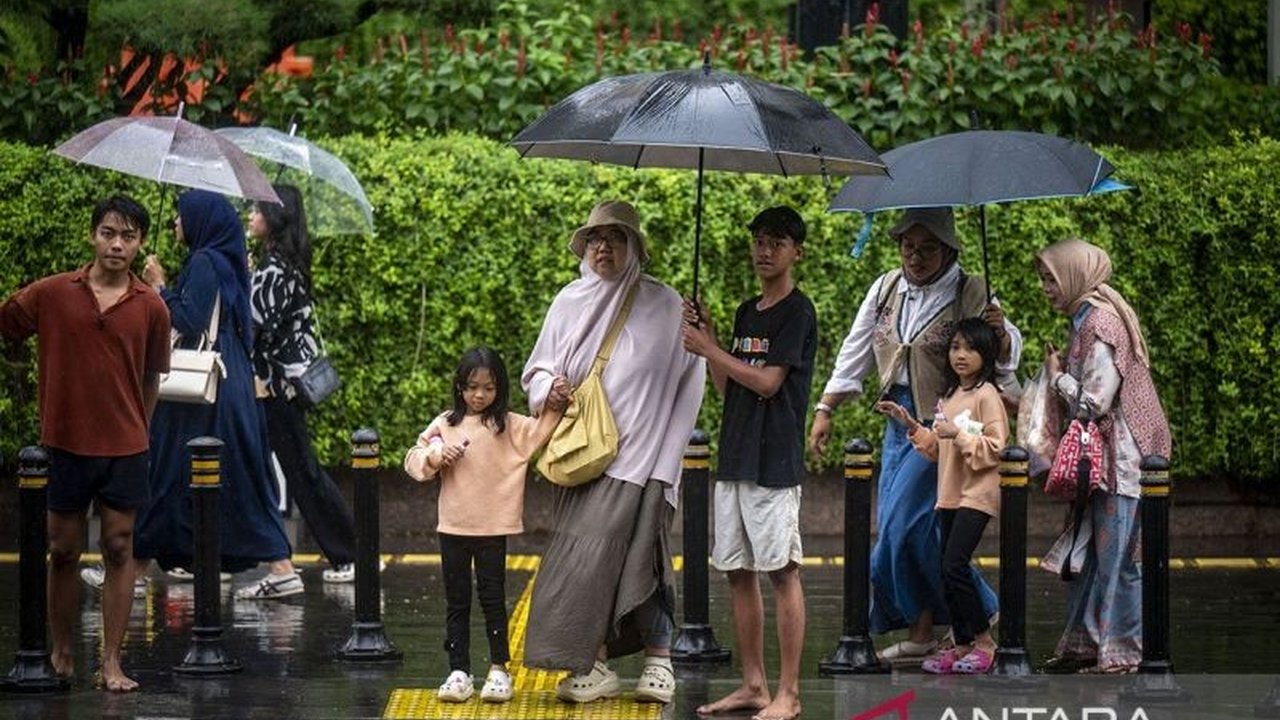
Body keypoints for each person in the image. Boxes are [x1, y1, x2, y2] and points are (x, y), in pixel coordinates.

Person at [808, 206, 1021, 660]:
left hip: (946, 421)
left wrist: (1001, 335)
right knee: (909, 528)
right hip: (897, 422)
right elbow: (856, 347)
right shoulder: (886, 287)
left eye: (927, 249)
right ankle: (926, 631)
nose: (916, 257)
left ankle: (980, 615)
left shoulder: (971, 289)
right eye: (908, 247)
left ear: (948, 249)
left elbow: (1006, 349)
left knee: (902, 527)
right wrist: (826, 406)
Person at [520, 199, 705, 704]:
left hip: (644, 463)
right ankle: (595, 663)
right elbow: (536, 369)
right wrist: (548, 391)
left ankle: (659, 664)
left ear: (634, 248)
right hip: (583, 458)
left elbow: (692, 385)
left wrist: (668, 467)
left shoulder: (669, 305)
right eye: (596, 239)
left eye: (616, 238)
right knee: (585, 568)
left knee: (640, 563)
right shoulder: (569, 301)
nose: (604, 248)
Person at [0, 195, 171, 692]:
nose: (117, 244)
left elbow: (152, 376)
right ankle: (63, 650)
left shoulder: (151, 306)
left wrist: (139, 427)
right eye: (108, 233)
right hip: (66, 441)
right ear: (92, 236)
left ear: (139, 244)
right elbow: (9, 322)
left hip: (125, 446)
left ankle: (112, 662)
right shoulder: (53, 293)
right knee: (64, 549)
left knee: (120, 547)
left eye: (128, 236)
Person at [680, 206, 816, 720]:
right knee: (737, 572)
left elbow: (768, 382)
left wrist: (710, 346)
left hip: (774, 460)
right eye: (759, 241)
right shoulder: (745, 311)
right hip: (735, 456)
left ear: (796, 252)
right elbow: (729, 387)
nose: (764, 250)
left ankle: (790, 693)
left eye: (776, 242)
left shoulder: (798, 312)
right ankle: (754, 685)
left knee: (781, 571)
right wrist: (710, 339)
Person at [134, 189, 297, 597]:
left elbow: (189, 318)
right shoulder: (227, 260)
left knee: (172, 468)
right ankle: (279, 566)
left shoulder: (206, 261)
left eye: (181, 216)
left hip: (208, 388)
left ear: (201, 221)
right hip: (230, 379)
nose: (176, 223)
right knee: (234, 472)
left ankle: (132, 567)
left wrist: (158, 288)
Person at [1034, 238, 1170, 675]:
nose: (1045, 288)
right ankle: (1088, 645)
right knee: (1091, 553)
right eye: (1043, 279)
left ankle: (1122, 653)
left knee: (1118, 558)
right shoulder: (1083, 320)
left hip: (1125, 463)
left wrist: (1058, 380)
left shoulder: (1102, 323)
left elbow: (1095, 400)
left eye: (1051, 279)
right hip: (1103, 459)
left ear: (1076, 276)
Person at [404, 347, 569, 703]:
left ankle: (499, 669)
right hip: (452, 529)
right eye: (471, 386)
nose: (479, 395)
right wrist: (436, 455)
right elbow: (413, 460)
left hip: (493, 529)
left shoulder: (508, 424)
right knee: (457, 601)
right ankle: (458, 670)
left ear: (501, 389)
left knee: (493, 599)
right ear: (459, 387)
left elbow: (542, 429)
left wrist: (557, 399)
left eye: (489, 388)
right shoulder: (445, 424)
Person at [877, 317, 1008, 675]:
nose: (961, 355)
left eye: (970, 348)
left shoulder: (987, 395)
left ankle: (984, 642)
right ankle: (963, 643)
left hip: (976, 494)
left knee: (954, 564)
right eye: (954, 347)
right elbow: (938, 449)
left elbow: (995, 448)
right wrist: (910, 424)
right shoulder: (950, 396)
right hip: (949, 494)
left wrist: (958, 435)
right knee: (946, 568)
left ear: (987, 354)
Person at [248, 184, 359, 585]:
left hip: (274, 388)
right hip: (283, 386)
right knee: (293, 469)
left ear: (275, 218)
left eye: (257, 210)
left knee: (302, 471)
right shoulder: (286, 264)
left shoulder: (274, 269)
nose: (250, 216)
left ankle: (350, 555)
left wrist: (249, 284)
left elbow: (256, 329)